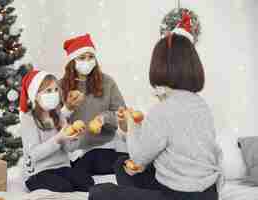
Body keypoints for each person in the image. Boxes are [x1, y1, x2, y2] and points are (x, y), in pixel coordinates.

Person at [89, 17, 223, 200]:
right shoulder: (201, 105)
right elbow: (174, 140)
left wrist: (131, 123)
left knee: (100, 192)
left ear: (159, 66)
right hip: (209, 193)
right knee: (122, 165)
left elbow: (138, 158)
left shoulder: (162, 110)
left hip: (179, 195)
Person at [60, 33, 127, 175]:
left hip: (105, 147)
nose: (87, 61)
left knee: (125, 164)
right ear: (72, 61)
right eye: (82, 58)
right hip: (75, 152)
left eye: (91, 57)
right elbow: (53, 125)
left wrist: (104, 118)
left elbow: (122, 114)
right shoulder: (61, 86)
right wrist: (68, 108)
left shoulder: (107, 82)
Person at [19, 70, 94, 192]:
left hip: (61, 167)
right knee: (64, 187)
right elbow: (33, 155)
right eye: (48, 91)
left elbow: (68, 148)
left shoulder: (59, 115)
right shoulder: (28, 120)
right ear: (35, 96)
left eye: (55, 90)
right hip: (38, 172)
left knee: (88, 182)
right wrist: (58, 139)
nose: (53, 94)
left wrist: (74, 137)